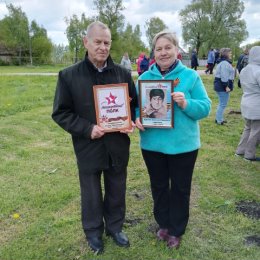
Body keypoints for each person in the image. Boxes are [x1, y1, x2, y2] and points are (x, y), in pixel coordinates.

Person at [52, 21, 137, 254]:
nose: (102, 47)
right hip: (88, 146)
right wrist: (87, 128)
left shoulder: (122, 73)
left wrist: (130, 121)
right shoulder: (68, 76)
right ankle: (93, 232)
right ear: (86, 42)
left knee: (117, 188)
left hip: (117, 145)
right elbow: (61, 113)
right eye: (97, 42)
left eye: (107, 42)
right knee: (90, 192)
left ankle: (115, 227)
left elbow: (134, 104)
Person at [135, 30, 211, 249]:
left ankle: (177, 230)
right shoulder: (144, 78)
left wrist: (186, 103)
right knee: (158, 186)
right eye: (158, 49)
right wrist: (138, 117)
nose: (163, 52)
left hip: (183, 146)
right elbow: (137, 107)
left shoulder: (190, 76)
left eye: (168, 47)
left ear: (177, 50)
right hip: (152, 145)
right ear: (154, 52)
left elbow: (205, 107)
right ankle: (164, 224)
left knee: (180, 188)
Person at [235, 46, 260, 161]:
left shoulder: (245, 69)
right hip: (256, 105)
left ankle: (240, 151)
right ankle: (249, 155)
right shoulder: (258, 71)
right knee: (256, 130)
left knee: (248, 128)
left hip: (246, 101)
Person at [214, 48, 235, 125]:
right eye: (230, 53)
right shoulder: (225, 63)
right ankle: (219, 120)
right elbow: (224, 76)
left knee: (221, 103)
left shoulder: (222, 63)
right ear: (226, 54)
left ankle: (218, 118)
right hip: (222, 85)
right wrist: (226, 86)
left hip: (220, 85)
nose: (231, 54)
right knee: (223, 104)